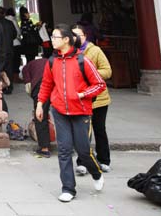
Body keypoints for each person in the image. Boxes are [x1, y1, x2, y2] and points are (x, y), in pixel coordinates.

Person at [36, 24, 107, 203]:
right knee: (64, 150)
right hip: (59, 110)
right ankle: (68, 188)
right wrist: (39, 104)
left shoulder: (83, 61)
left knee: (83, 150)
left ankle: (96, 172)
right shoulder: (52, 62)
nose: (52, 40)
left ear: (66, 40)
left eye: (55, 37)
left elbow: (99, 84)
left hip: (81, 112)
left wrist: (83, 94)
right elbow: (46, 84)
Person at [72, 23, 113, 173]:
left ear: (85, 36)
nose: (76, 38)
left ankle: (104, 159)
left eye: (79, 35)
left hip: (98, 98)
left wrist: (90, 74)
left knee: (99, 129)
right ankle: (83, 162)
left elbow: (107, 71)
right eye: (73, 35)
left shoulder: (95, 51)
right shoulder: (70, 53)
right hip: (80, 98)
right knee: (82, 131)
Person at [22, 45, 54, 158]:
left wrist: (37, 102)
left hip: (41, 86)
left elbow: (28, 86)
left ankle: (44, 148)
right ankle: (69, 147)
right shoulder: (53, 62)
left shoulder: (27, 67)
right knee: (63, 116)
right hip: (56, 85)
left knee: (40, 116)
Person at [0, 6, 16, 105]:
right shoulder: (9, 23)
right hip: (9, 50)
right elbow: (14, 34)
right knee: (9, 69)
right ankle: (9, 87)